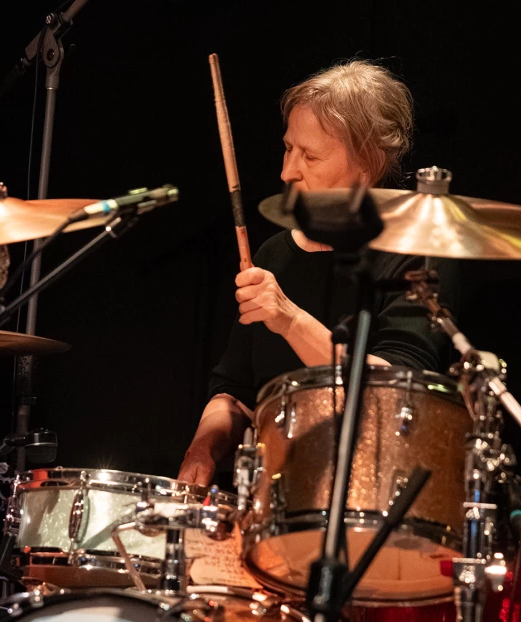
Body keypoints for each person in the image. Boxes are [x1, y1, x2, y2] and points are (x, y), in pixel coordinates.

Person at [177, 59, 450, 487]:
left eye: (311, 155)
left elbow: (396, 391)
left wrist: (288, 318)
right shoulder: (272, 254)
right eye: (288, 148)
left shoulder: (413, 257)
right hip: (274, 502)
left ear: (368, 162)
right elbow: (235, 394)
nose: (287, 172)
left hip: (375, 498)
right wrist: (202, 450)